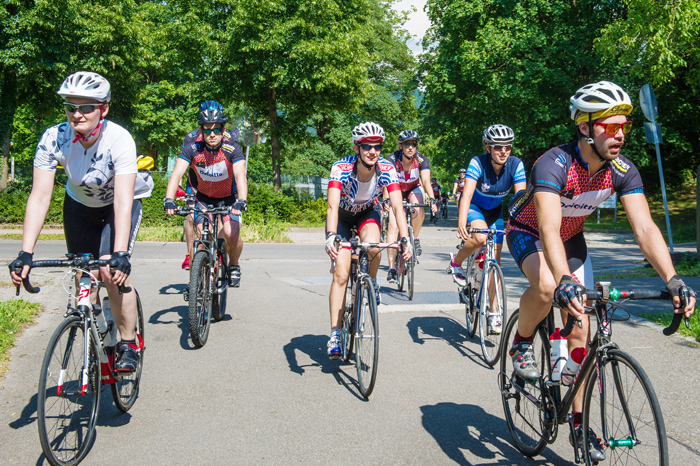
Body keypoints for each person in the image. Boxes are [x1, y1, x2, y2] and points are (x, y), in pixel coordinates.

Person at [505, 81, 696, 460]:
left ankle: (578, 422)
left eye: (624, 125)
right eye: (610, 126)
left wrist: (673, 279)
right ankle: (522, 342)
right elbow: (547, 227)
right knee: (545, 286)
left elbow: (644, 229)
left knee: (580, 330)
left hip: (571, 239)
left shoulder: (622, 170)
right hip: (530, 231)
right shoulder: (554, 163)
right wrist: (563, 282)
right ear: (585, 128)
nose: (620, 134)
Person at [9, 71, 152, 372]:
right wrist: (26, 253)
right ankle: (95, 326)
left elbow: (124, 201)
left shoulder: (119, 139)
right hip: (79, 206)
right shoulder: (54, 138)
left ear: (104, 109)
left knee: (109, 270)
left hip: (117, 206)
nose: (77, 114)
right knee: (81, 274)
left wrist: (121, 254)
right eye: (71, 107)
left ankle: (128, 341)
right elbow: (39, 197)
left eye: (87, 107)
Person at [325, 122, 412, 358]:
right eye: (366, 146)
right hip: (341, 218)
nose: (372, 151)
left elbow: (396, 205)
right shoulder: (341, 167)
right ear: (357, 147)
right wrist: (331, 236)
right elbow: (332, 206)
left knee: (374, 247)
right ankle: (334, 333)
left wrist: (405, 239)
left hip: (366, 214)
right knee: (342, 274)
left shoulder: (386, 168)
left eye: (377, 146)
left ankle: (371, 281)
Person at [448, 124, 526, 334]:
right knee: (481, 238)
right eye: (498, 147)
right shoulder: (478, 163)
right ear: (488, 147)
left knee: (494, 263)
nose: (503, 152)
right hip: (475, 207)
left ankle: (493, 313)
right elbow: (466, 195)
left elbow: (521, 200)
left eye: (507, 147)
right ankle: (457, 262)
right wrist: (462, 221)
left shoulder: (516, 165)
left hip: (495, 212)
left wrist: (520, 225)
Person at [163, 100, 247, 288]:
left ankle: (234, 265)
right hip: (202, 197)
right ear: (201, 130)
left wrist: (242, 200)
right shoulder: (192, 147)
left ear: (223, 130)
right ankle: (198, 279)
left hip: (228, 198)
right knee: (200, 238)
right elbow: (177, 173)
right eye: (207, 129)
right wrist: (169, 199)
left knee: (230, 234)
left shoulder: (232, 148)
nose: (211, 134)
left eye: (216, 129)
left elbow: (241, 176)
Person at [384, 130, 438, 283]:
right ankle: (391, 269)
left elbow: (426, 182)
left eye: (414, 144)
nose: (411, 147)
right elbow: (387, 184)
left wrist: (432, 199)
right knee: (393, 227)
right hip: (396, 190)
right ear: (401, 146)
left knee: (419, 207)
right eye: (407, 144)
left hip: (413, 188)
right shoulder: (392, 159)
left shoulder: (421, 160)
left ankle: (415, 238)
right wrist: (386, 200)